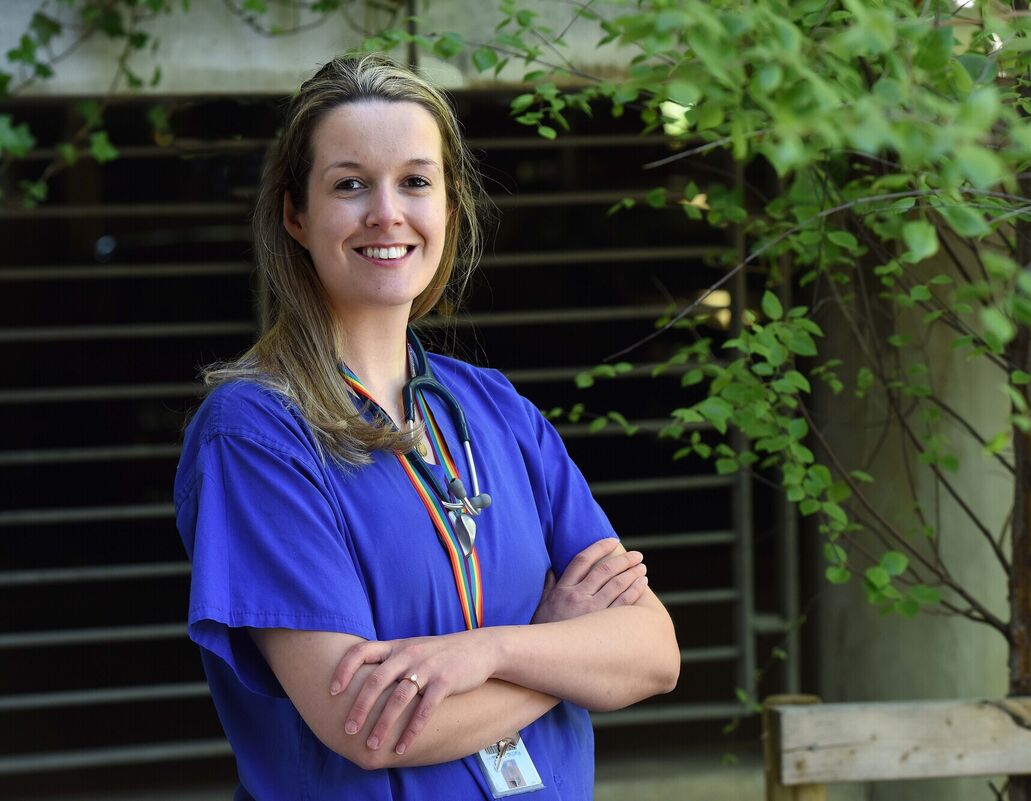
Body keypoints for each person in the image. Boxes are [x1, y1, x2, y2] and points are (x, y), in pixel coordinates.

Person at [173, 53, 680, 800]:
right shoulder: (255, 433)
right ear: (295, 215)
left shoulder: (497, 409)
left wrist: (493, 652)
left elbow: (653, 653)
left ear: (449, 207)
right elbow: (367, 727)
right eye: (350, 184)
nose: (387, 213)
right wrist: (560, 650)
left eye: (415, 181)